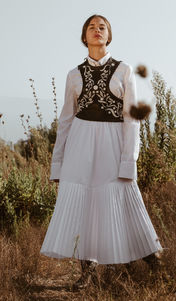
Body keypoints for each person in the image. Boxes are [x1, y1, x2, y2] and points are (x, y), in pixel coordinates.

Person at [40, 14, 163, 289]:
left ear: (109, 36)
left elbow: (132, 119)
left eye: (102, 27)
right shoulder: (73, 75)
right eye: (92, 27)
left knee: (129, 204)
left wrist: (128, 160)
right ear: (84, 37)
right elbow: (66, 120)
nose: (97, 30)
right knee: (84, 207)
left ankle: (156, 264)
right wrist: (57, 164)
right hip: (79, 148)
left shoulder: (124, 70)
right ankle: (88, 271)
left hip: (112, 146)